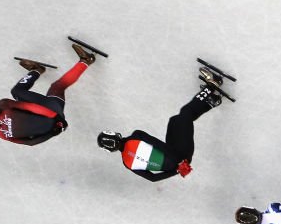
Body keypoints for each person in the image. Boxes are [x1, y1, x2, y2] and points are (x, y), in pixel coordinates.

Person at [96, 68, 224, 182]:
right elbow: (158, 144)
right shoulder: (136, 136)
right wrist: (180, 161)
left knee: (175, 120)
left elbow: (153, 178)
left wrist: (178, 170)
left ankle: (211, 102)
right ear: (115, 134)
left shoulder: (127, 163)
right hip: (179, 154)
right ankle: (212, 85)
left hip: (178, 158)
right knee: (185, 114)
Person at [0, 44, 95, 146]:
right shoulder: (4, 105)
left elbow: (30, 142)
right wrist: (57, 118)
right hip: (52, 113)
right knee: (23, 91)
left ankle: (38, 70)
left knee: (57, 88)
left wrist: (54, 131)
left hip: (54, 125)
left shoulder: (2, 134)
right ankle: (84, 60)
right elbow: (30, 107)